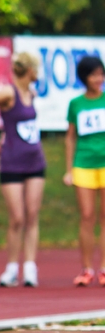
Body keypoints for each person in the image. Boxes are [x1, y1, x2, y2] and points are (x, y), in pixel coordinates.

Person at [0, 52, 46, 288]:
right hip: (12, 160)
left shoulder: (31, 93)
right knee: (17, 217)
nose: (38, 73)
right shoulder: (8, 92)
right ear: (30, 70)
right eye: (36, 69)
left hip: (35, 160)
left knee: (32, 215)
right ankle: (12, 267)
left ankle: (30, 267)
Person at [63, 56, 105, 287]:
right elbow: (70, 138)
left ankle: (104, 269)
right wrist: (69, 170)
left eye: (101, 74)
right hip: (84, 163)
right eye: (93, 75)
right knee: (87, 216)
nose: (98, 79)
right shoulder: (76, 104)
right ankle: (86, 268)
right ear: (84, 77)